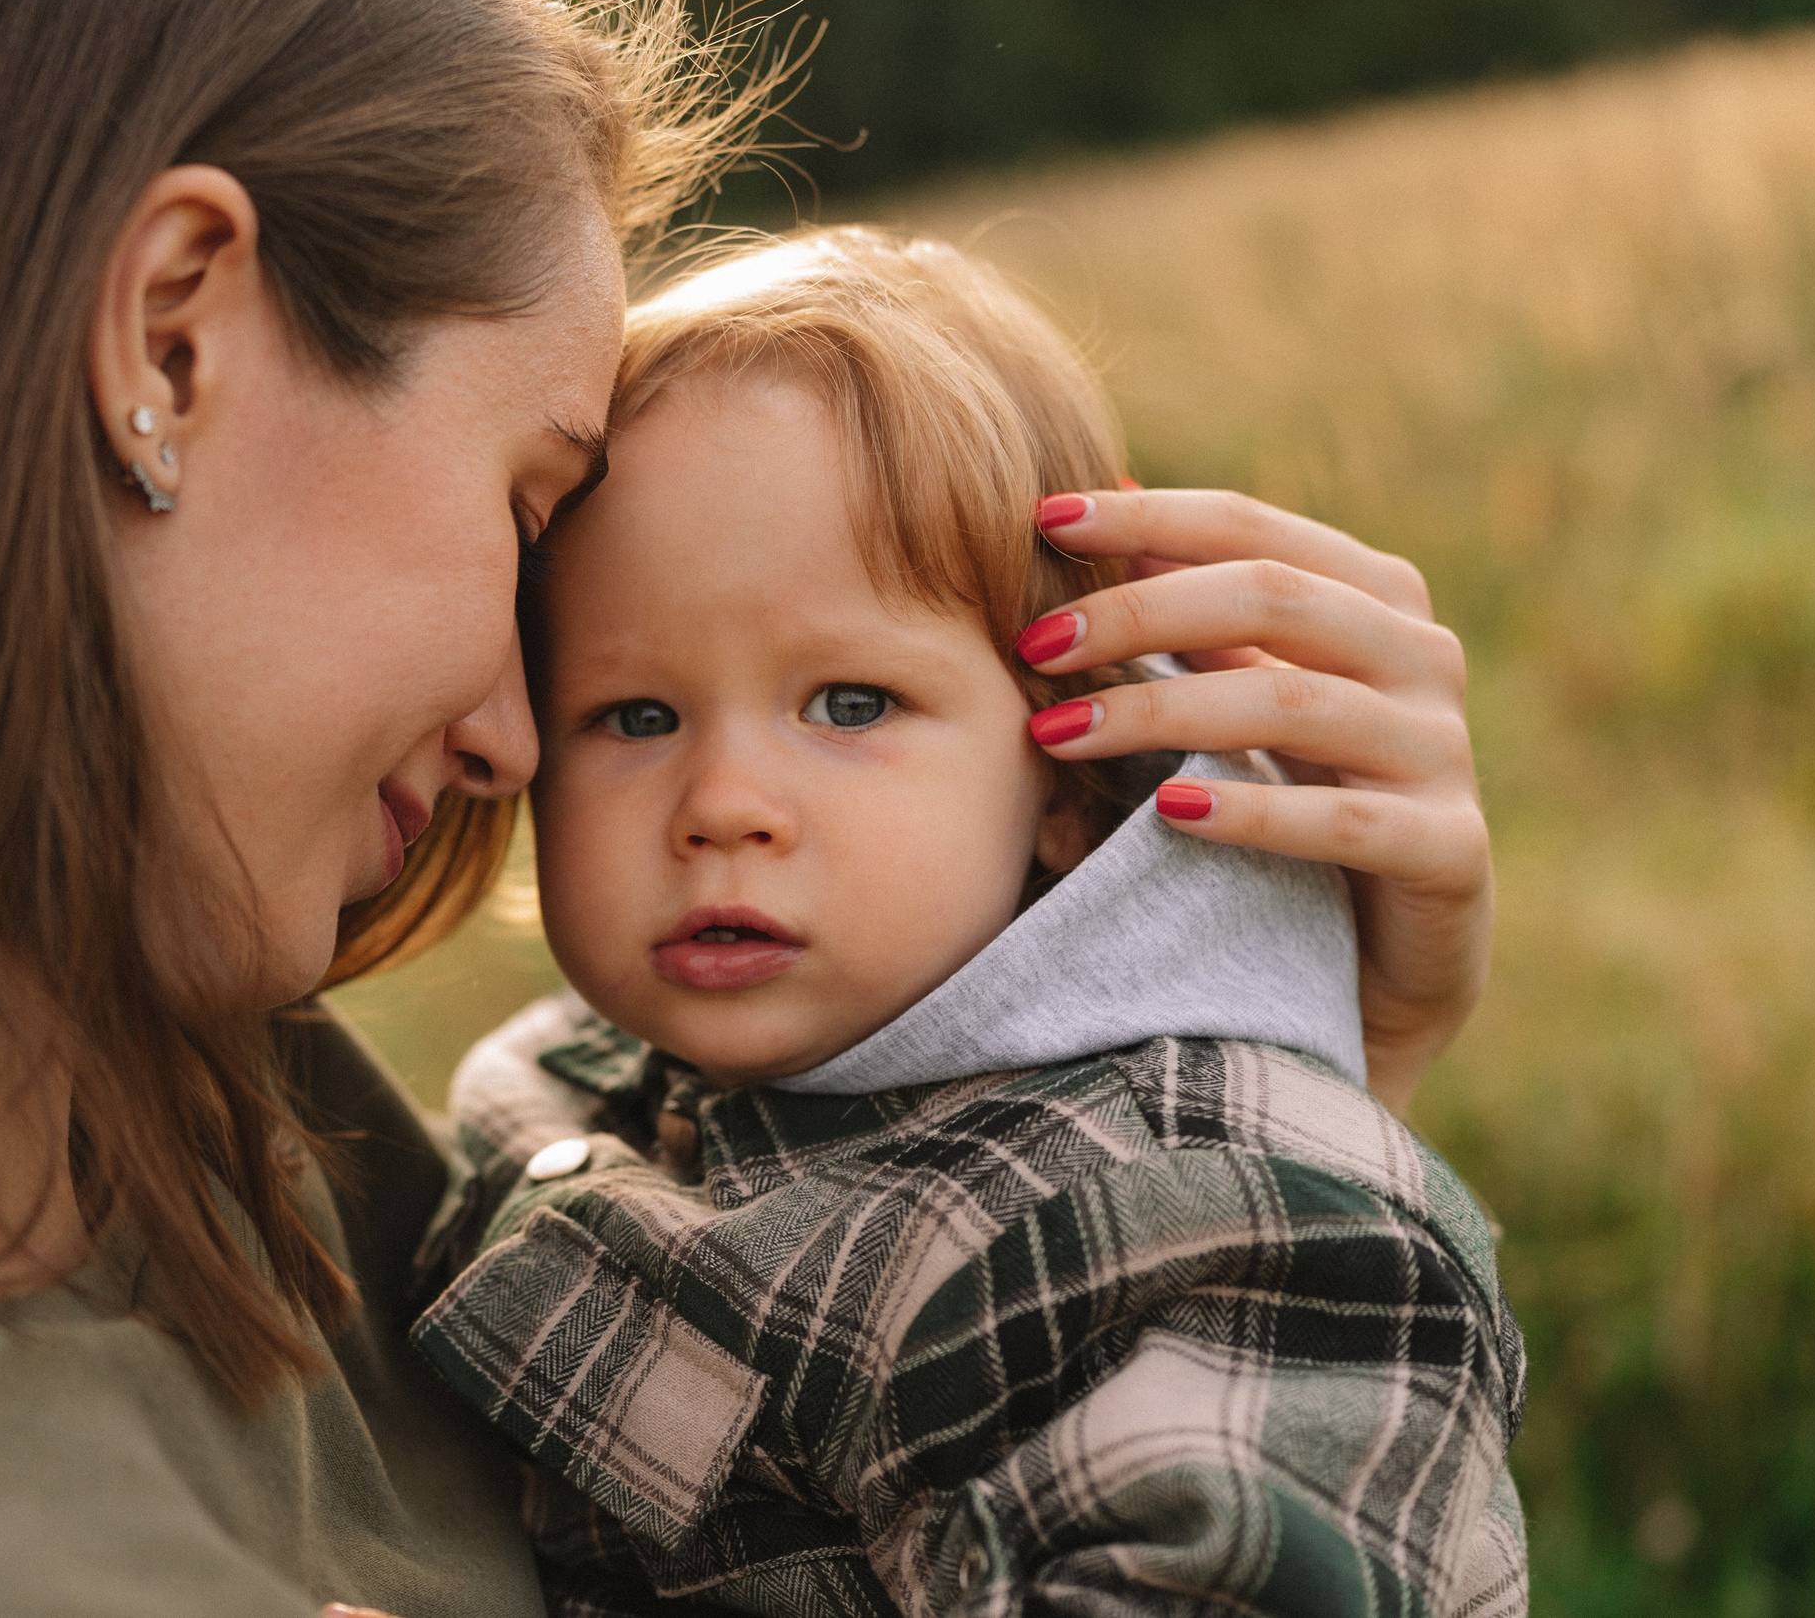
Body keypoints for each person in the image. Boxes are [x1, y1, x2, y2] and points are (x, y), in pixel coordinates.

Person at [0, 0, 1491, 1614]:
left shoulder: (204, 1098)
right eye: (525, 504)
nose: (508, 725)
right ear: (169, 337)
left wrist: (1251, 1086)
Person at [411, 228, 1524, 1616]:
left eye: (852, 703)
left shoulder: (1188, 1210)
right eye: (635, 715)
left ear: (1067, 779)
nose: (724, 804)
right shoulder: (563, 1088)